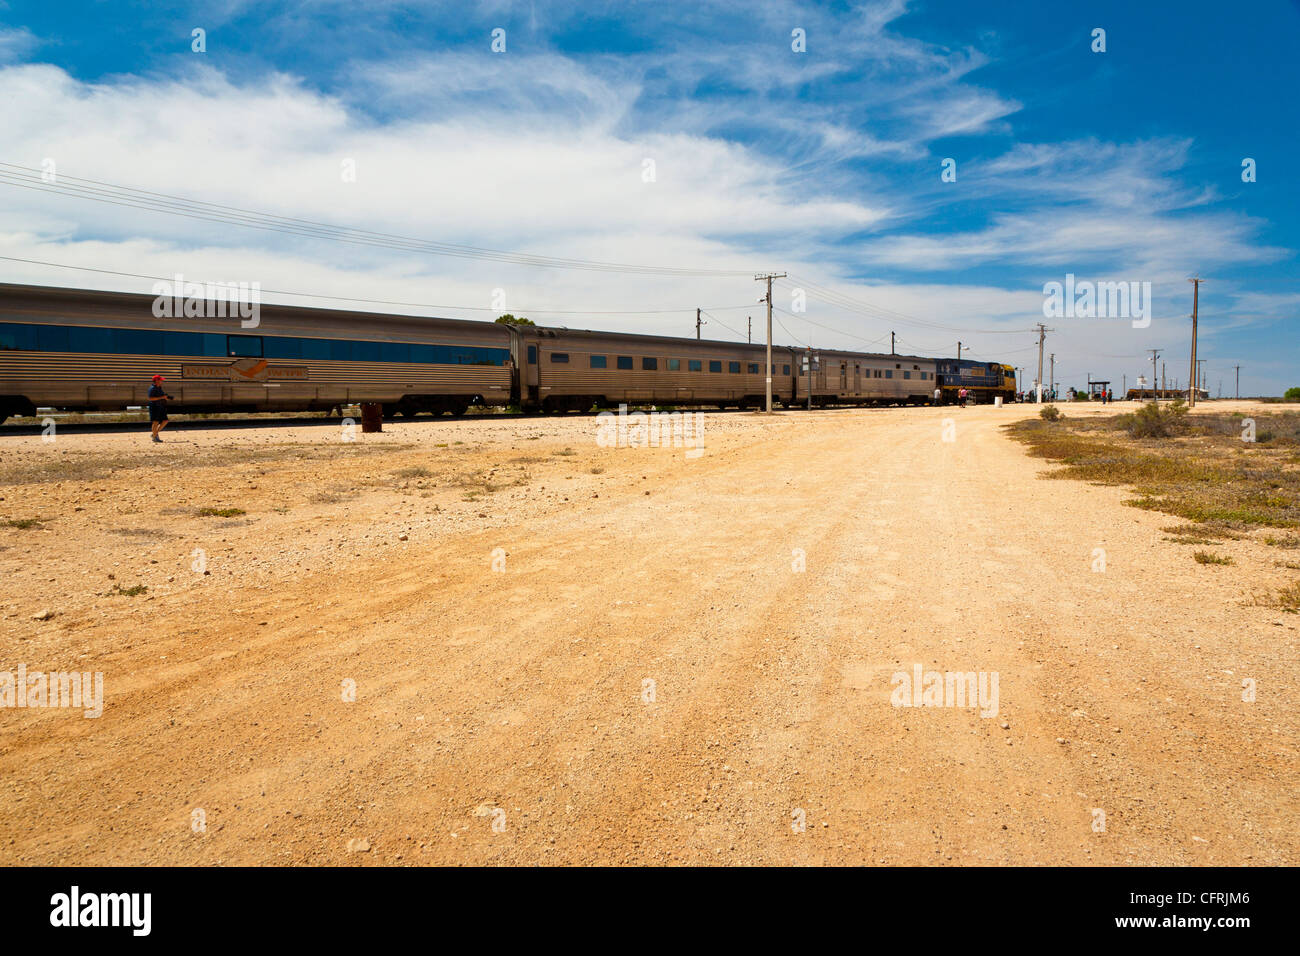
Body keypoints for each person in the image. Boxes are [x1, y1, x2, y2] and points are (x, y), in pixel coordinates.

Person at [148, 374, 173, 442]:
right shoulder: (152, 388)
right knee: (155, 422)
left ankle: (154, 434)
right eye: (160, 380)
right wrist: (162, 397)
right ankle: (155, 437)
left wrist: (167, 397)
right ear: (156, 380)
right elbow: (151, 398)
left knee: (165, 421)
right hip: (154, 406)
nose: (162, 381)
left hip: (161, 406)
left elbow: (161, 396)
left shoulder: (159, 388)